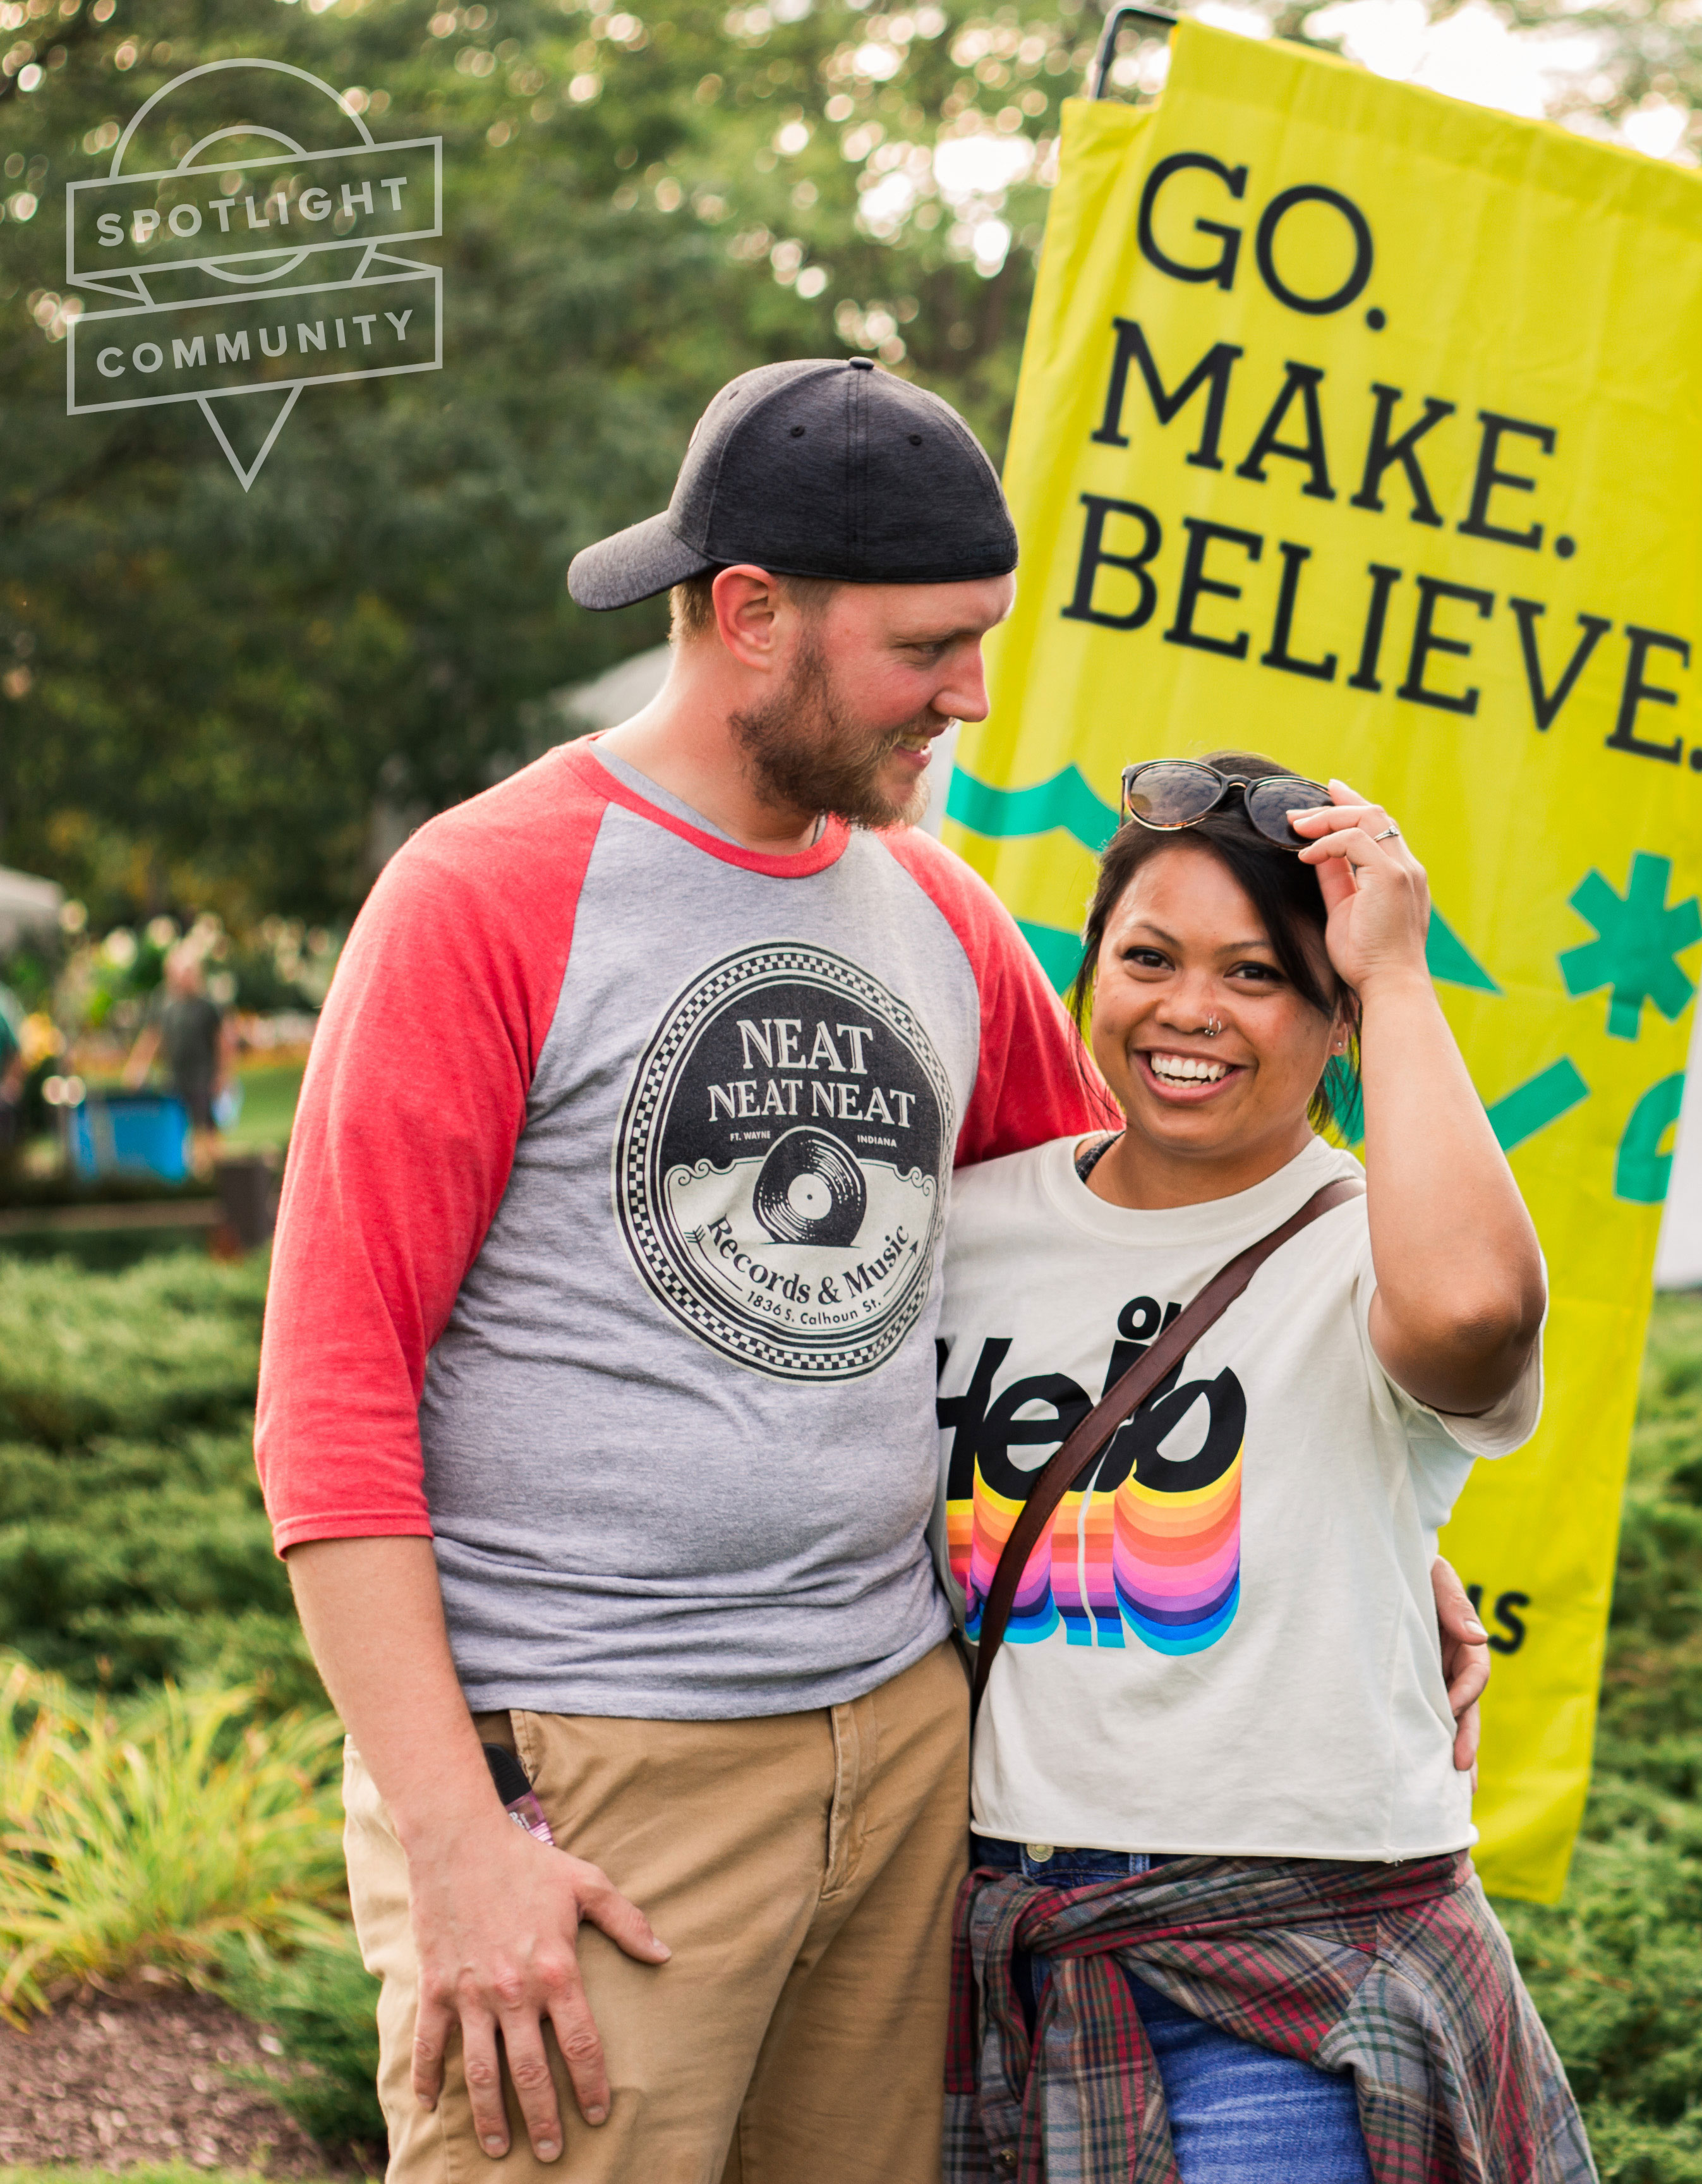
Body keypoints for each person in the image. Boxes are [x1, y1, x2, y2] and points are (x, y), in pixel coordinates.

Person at [255, 360, 1490, 2184]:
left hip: (916, 1760)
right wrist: (457, 1840)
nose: (973, 698)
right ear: (751, 615)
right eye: (930, 647)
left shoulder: (937, 910)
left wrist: (1375, 1533)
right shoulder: (491, 895)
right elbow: (330, 1398)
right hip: (600, 1766)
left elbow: (1119, 1253)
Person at [938, 754, 1592, 2184]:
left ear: (1332, 1013)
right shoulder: (967, 1229)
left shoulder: (1382, 1239)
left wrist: (1400, 974)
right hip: (1000, 1967)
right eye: (1149, 957)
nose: (1190, 1010)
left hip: (1295, 1969)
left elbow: (1475, 1318)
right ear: (1089, 970)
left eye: (1257, 974)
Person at [123, 931, 234, 1172]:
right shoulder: (164, 1004)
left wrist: (223, 1075)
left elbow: (222, 1042)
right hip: (174, 1077)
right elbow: (151, 1038)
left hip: (203, 1076)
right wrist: (137, 1067)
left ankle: (215, 1170)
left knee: (207, 1127)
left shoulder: (207, 1005)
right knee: (176, 1127)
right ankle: (187, 1170)